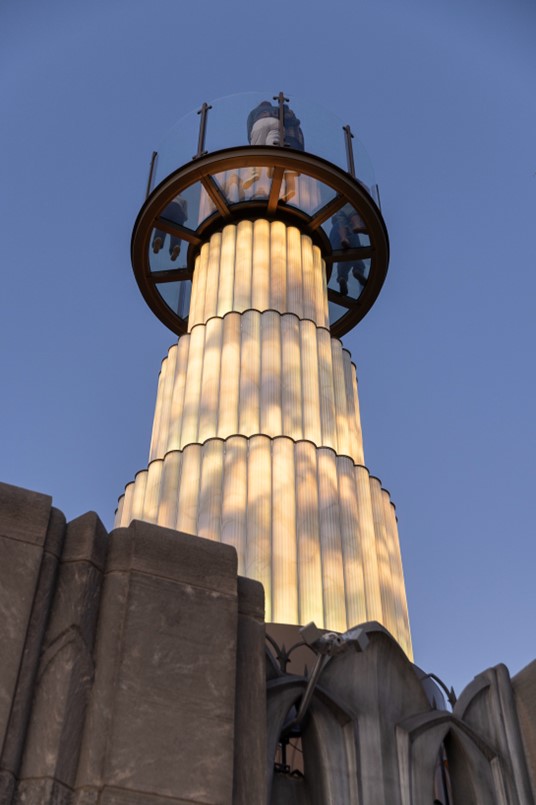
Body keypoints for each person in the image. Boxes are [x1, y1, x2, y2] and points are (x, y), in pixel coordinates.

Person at [330, 206, 367, 295]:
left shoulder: (332, 230)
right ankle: (357, 271)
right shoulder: (345, 222)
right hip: (351, 243)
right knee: (357, 259)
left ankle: (342, 277)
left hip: (338, 248)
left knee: (342, 262)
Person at [152, 195, 188, 261]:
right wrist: (181, 219)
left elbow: (159, 204)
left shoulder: (167, 195)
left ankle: (158, 239)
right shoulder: (183, 200)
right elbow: (185, 216)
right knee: (176, 230)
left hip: (167, 207)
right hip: (178, 211)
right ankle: (175, 247)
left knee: (162, 224)